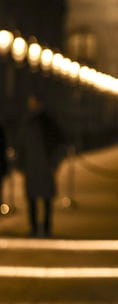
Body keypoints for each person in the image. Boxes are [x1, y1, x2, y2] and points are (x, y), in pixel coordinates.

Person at [16, 93, 64, 237]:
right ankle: (39, 227)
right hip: (35, 166)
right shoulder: (35, 122)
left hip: (41, 166)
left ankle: (41, 227)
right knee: (36, 198)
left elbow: (56, 144)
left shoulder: (43, 123)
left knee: (42, 199)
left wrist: (53, 163)